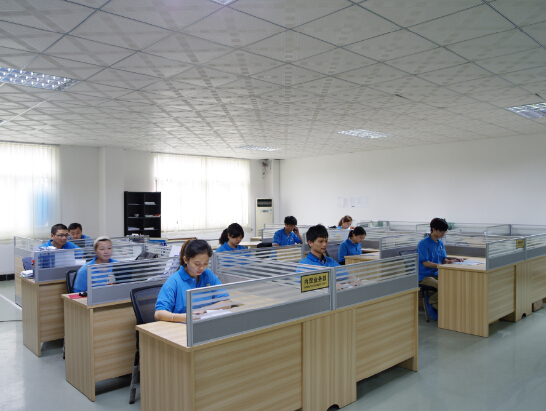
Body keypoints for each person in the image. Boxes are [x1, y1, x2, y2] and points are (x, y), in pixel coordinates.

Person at [155, 240, 230, 323]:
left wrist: (204, 309)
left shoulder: (208, 274)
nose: (202, 268)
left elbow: (226, 302)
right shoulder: (174, 280)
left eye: (206, 263)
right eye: (197, 264)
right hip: (182, 327)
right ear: (185, 259)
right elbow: (158, 314)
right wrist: (182, 317)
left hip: (204, 325)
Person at [417, 218, 463, 321]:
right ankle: (432, 301)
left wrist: (451, 261)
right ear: (433, 229)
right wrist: (441, 265)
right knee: (443, 286)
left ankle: (438, 303)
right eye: (442, 231)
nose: (443, 234)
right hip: (424, 276)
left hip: (437, 273)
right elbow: (425, 263)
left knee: (454, 283)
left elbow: (443, 259)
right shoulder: (423, 243)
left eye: (445, 231)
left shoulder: (440, 243)